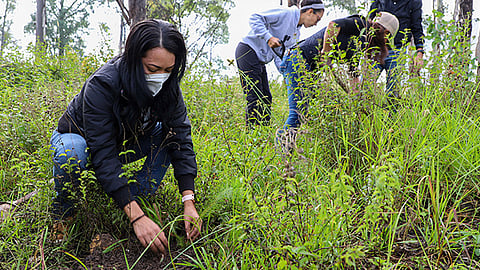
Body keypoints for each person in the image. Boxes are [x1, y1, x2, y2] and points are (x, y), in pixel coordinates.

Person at [50, 19, 201, 254]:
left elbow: (180, 137)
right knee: (71, 154)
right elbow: (103, 152)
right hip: (81, 139)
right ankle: (64, 215)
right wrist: (136, 218)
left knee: (168, 136)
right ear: (133, 59)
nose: (160, 77)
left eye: (168, 70)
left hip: (127, 143)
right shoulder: (102, 84)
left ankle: (138, 196)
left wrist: (188, 201)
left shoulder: (169, 89)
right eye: (152, 69)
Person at [277, 12, 399, 153]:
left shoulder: (360, 44)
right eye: (386, 38)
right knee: (298, 112)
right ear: (386, 32)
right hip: (297, 60)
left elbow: (353, 75)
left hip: (308, 67)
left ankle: (291, 151)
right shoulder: (361, 24)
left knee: (309, 112)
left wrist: (358, 102)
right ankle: (282, 154)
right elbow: (333, 25)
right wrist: (326, 52)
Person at [235, 0, 325, 127]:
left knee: (266, 99)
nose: (316, 24)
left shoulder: (295, 34)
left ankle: (262, 135)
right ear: (310, 11)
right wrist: (268, 37)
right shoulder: (286, 13)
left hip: (260, 60)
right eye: (318, 19)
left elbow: (281, 56)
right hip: (248, 50)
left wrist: (288, 72)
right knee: (255, 98)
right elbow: (255, 18)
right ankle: (252, 137)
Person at [369, 0, 425, 98]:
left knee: (393, 92)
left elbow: (417, 26)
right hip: (377, 49)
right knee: (365, 86)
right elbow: (370, 19)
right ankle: (361, 111)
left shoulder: (414, 2)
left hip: (397, 50)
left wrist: (419, 52)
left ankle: (393, 112)